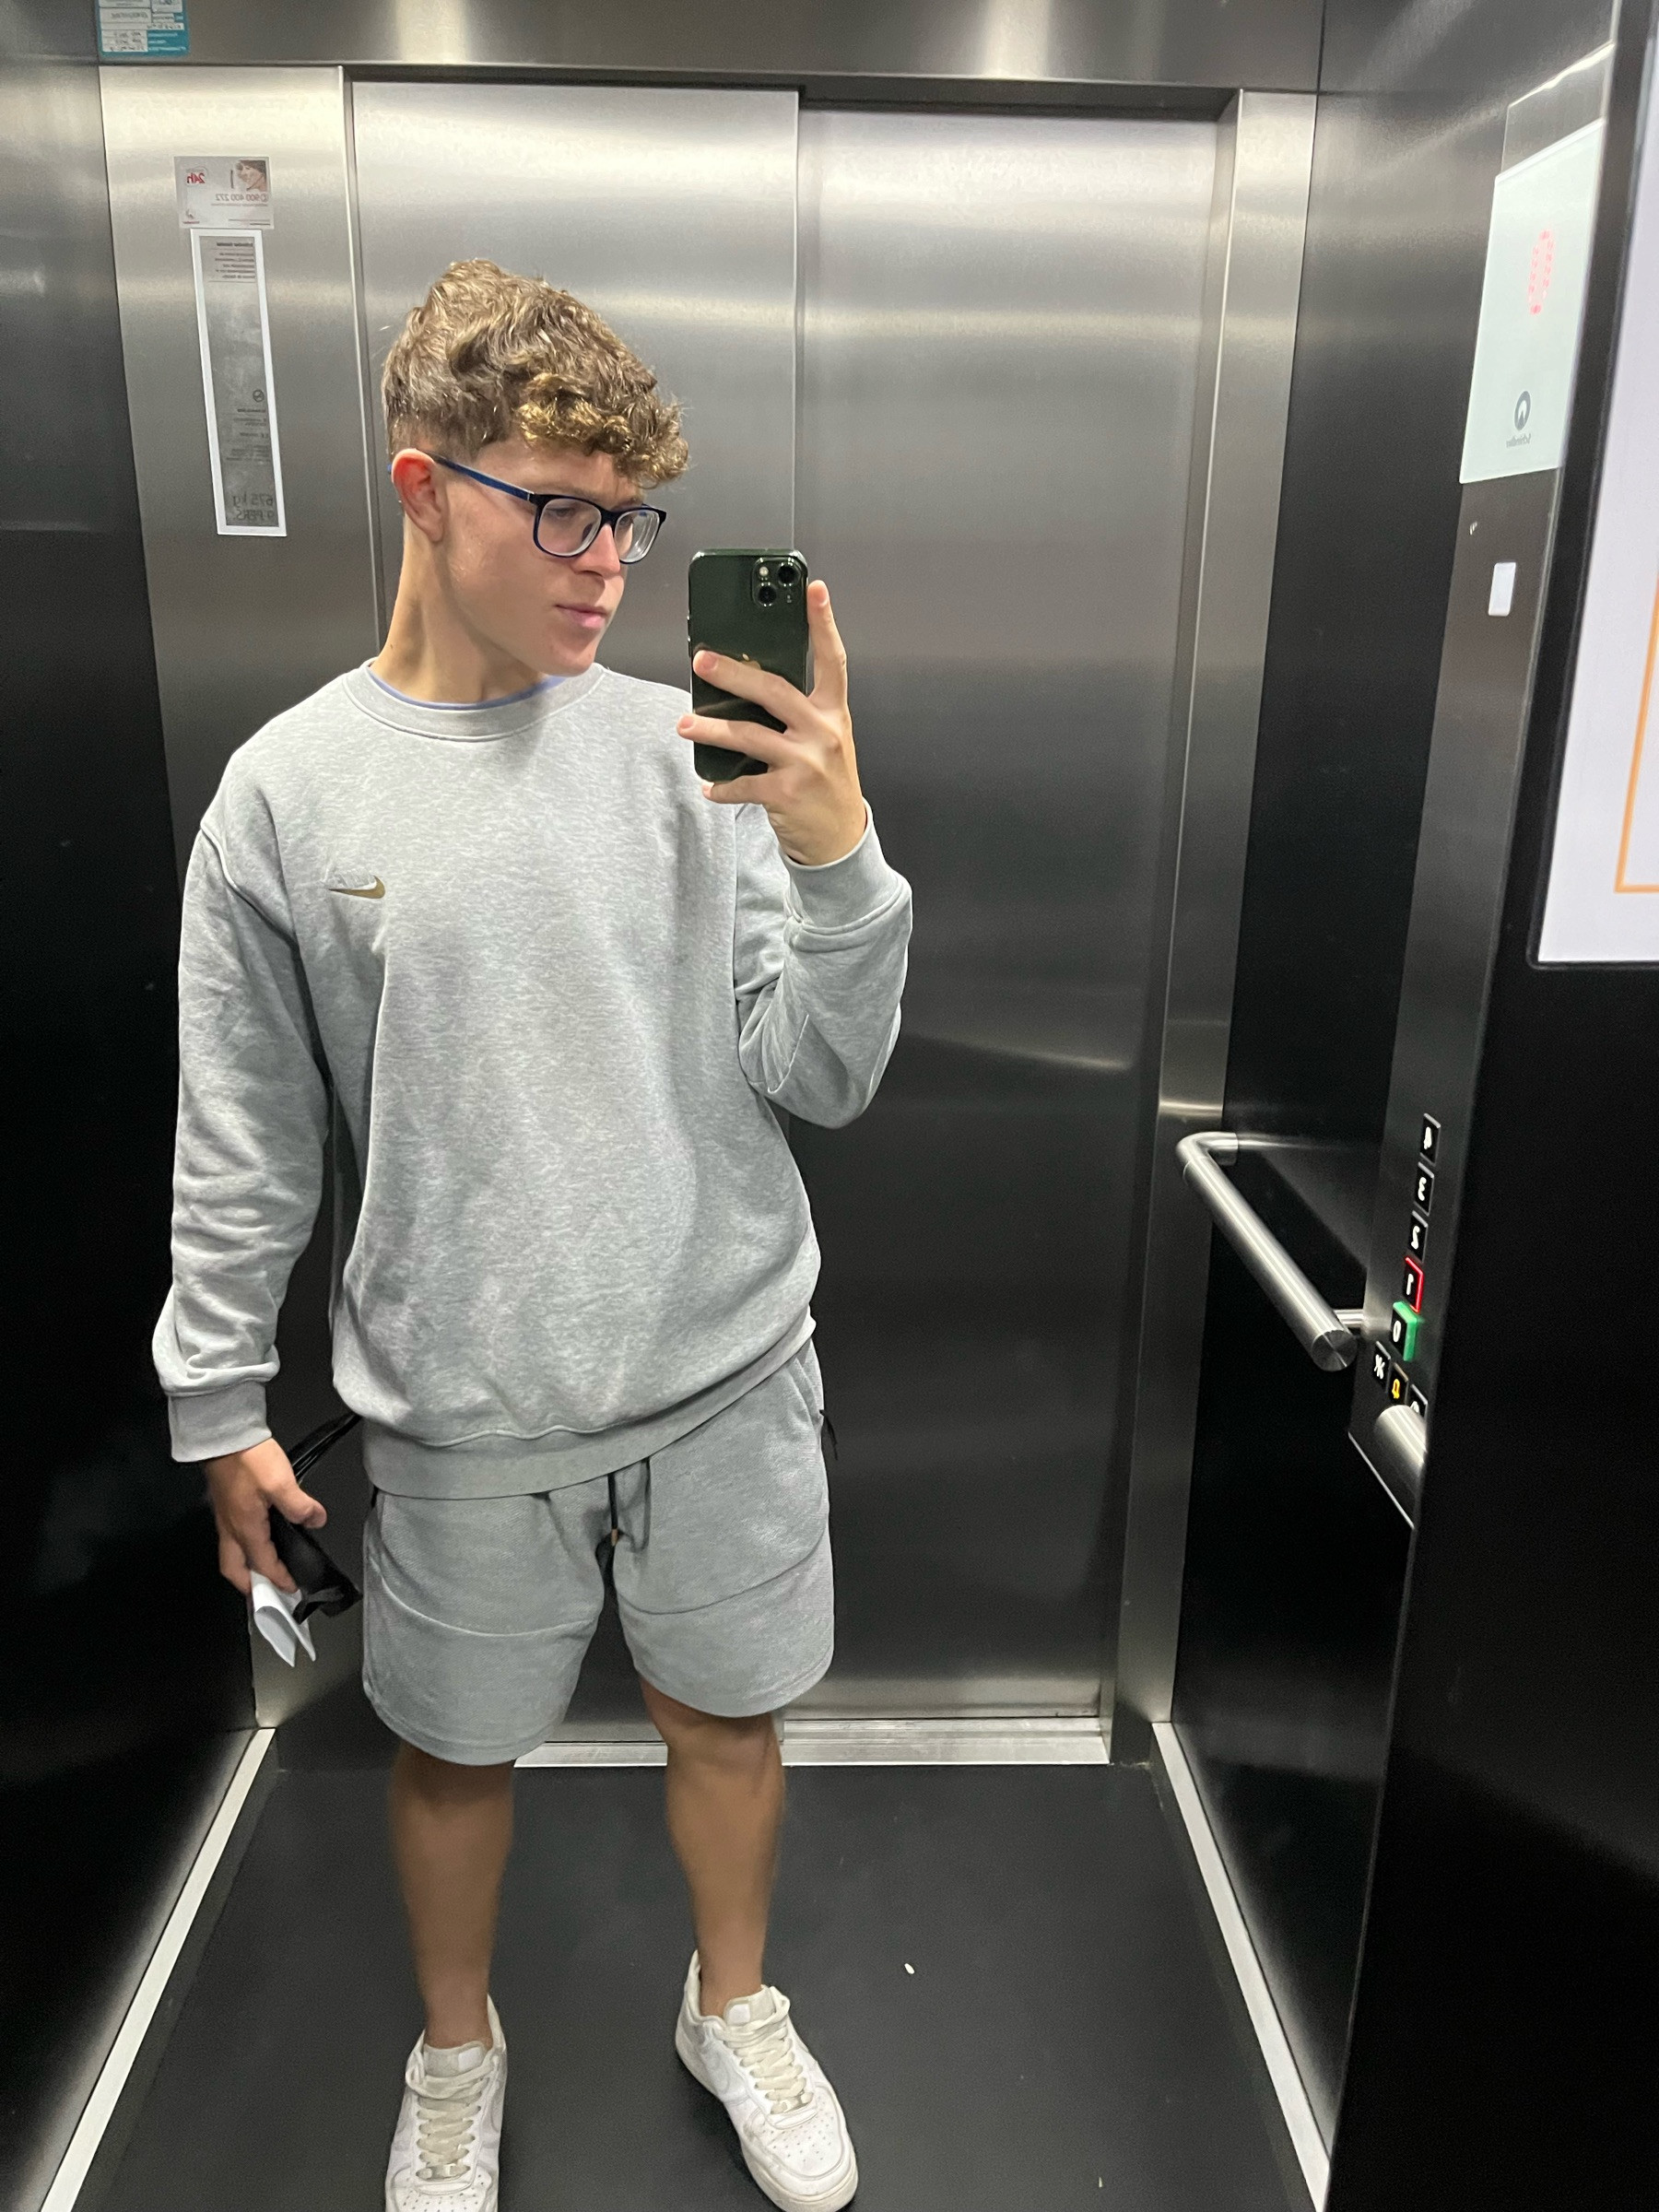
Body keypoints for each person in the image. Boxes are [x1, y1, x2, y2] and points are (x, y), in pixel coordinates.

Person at [153, 258, 911, 2212]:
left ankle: (733, 2005)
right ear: (424, 489)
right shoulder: (286, 796)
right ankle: (454, 2052)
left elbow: (823, 1074)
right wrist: (215, 1401)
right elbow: (247, 1135)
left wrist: (839, 862)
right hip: (464, 1409)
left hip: (726, 1368)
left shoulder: (693, 754)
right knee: (452, 1756)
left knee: (727, 1721)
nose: (606, 568)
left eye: (629, 521)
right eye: (562, 511)